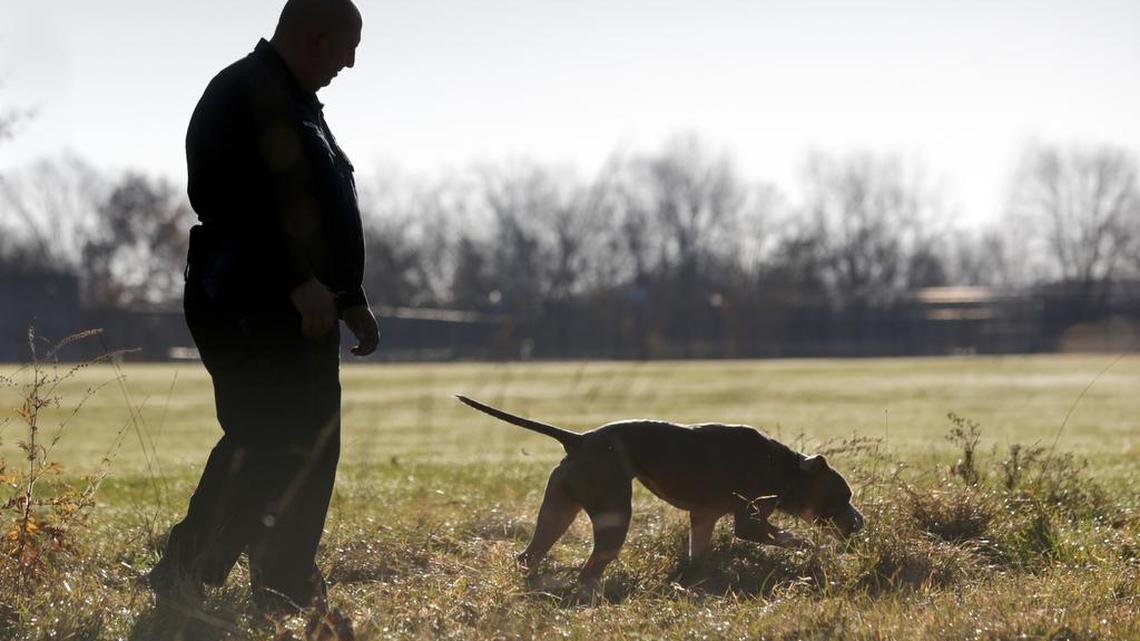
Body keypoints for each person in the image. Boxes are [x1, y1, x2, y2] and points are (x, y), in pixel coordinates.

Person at [147, 0, 378, 614]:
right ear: (315, 37)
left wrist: (349, 296)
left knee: (309, 442)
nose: (349, 64)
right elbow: (235, 204)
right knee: (266, 438)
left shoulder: (295, 101)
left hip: (302, 305)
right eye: (345, 48)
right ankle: (188, 567)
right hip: (251, 301)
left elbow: (313, 205)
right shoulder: (243, 94)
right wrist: (295, 279)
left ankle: (283, 580)